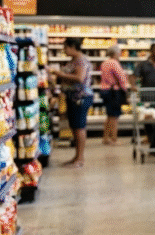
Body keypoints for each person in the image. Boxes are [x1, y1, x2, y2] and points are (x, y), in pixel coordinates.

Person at [50, 37, 92, 168]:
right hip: (73, 97)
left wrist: (59, 74)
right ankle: (76, 156)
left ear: (73, 47)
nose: (64, 50)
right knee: (74, 127)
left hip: (80, 98)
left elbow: (79, 78)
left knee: (79, 127)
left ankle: (80, 158)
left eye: (65, 47)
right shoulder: (73, 60)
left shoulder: (80, 60)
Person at [99, 44, 130, 146]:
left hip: (105, 90)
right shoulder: (114, 63)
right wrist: (125, 90)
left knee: (109, 116)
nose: (120, 54)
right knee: (114, 117)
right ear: (115, 53)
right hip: (114, 92)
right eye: (119, 52)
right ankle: (114, 139)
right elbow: (121, 78)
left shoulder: (104, 63)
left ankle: (105, 138)